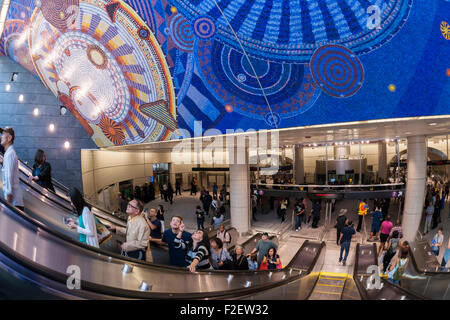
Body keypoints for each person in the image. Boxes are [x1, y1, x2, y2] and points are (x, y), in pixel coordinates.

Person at [0, 127, 24, 211]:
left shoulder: (10, 154)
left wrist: (8, 206)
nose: (1, 137)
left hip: (14, 204)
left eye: (3, 134)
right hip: (15, 202)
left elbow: (8, 179)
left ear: (9, 138)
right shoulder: (8, 154)